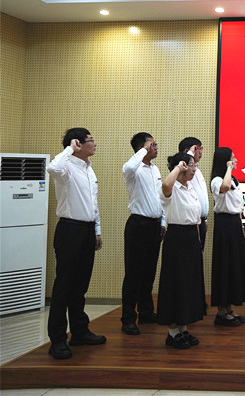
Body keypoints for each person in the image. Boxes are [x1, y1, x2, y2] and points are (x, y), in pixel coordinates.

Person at [46, 128, 106, 360]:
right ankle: (58, 340)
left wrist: (97, 231)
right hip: (69, 230)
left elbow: (93, 203)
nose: (95, 144)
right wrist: (69, 149)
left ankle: (79, 332)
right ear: (78, 144)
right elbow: (52, 168)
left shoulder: (89, 169)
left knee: (80, 286)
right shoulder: (66, 166)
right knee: (64, 286)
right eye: (91, 140)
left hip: (87, 230)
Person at [157, 152, 205, 349]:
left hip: (192, 238)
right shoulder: (172, 188)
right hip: (177, 239)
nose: (194, 169)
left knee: (188, 284)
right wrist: (177, 168)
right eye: (191, 166)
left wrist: (199, 243)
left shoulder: (190, 187)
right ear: (182, 167)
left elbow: (196, 219)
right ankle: (172, 332)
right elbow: (165, 186)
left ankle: (183, 328)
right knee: (175, 283)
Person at [120, 132, 165, 336]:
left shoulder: (155, 169)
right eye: (152, 144)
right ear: (141, 148)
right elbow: (128, 167)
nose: (156, 147)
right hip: (138, 225)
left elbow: (160, 197)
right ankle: (128, 318)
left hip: (155, 225)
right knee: (133, 274)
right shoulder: (133, 169)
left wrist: (163, 221)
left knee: (149, 272)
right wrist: (142, 152)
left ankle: (146, 312)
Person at [209, 147, 245, 326]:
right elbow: (224, 188)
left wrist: (240, 224)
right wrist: (228, 168)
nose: (235, 160)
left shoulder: (233, 179)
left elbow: (237, 204)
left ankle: (229, 308)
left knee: (234, 265)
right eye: (232, 158)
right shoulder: (217, 180)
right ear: (225, 161)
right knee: (224, 265)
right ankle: (221, 312)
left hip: (234, 223)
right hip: (224, 225)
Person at [179, 137, 210, 250]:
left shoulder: (197, 170)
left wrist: (204, 219)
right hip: (189, 223)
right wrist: (189, 154)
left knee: (199, 255)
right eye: (198, 149)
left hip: (201, 221)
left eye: (201, 148)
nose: (201, 152)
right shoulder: (181, 170)